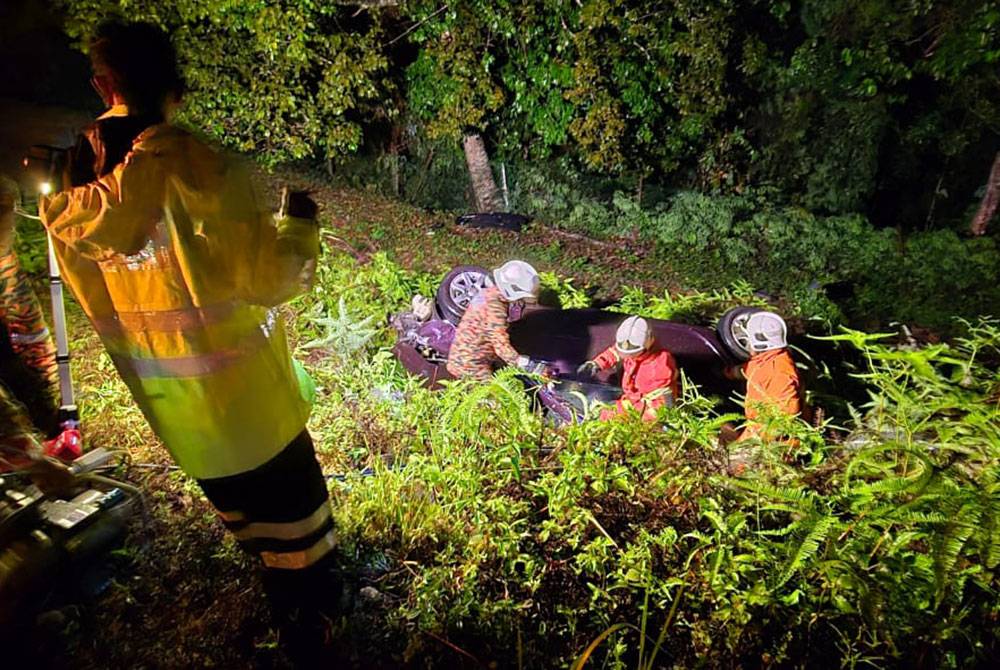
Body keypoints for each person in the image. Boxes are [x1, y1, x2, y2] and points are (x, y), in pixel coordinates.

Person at [38, 20, 336, 650]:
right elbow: (265, 279)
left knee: (246, 517)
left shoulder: (71, 191)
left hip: (178, 412)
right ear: (175, 84)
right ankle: (314, 626)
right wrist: (301, 228)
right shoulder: (206, 168)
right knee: (298, 519)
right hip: (252, 399)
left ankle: (286, 608)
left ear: (103, 83)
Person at [1, 177, 62, 464]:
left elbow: (28, 325)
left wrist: (51, 405)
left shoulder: (2, 260)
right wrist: (27, 457)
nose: (11, 231)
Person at [446, 260, 544, 381]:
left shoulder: (488, 293)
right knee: (497, 396)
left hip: (465, 354)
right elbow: (500, 346)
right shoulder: (495, 308)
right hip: (470, 363)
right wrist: (529, 366)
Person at [577, 316, 679, 422]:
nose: (628, 356)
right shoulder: (631, 345)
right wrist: (597, 364)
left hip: (644, 405)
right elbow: (614, 352)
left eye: (632, 354)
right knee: (599, 410)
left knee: (606, 415)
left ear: (649, 342)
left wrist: (643, 421)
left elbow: (663, 401)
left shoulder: (658, 366)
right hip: (630, 398)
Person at [733, 311, 801, 442]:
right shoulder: (765, 360)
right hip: (758, 427)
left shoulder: (780, 372)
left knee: (732, 461)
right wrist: (724, 371)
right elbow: (745, 371)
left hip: (772, 436)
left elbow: (788, 413)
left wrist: (763, 439)